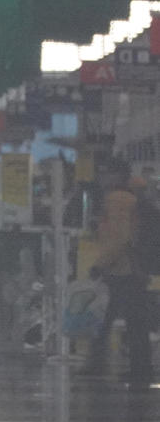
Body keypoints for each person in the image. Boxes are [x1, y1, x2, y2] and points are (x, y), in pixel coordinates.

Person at [83, 157, 152, 385]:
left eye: (107, 173)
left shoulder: (118, 200)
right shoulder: (126, 198)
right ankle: (138, 368)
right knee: (129, 321)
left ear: (119, 176)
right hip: (127, 268)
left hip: (122, 270)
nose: (102, 177)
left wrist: (100, 265)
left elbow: (119, 238)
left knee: (108, 318)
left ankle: (103, 365)